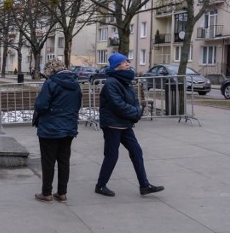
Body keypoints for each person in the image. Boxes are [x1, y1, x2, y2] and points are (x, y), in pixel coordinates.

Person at [94, 53, 165, 197]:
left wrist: (137, 110)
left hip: (124, 124)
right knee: (112, 156)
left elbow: (133, 100)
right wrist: (135, 112)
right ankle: (100, 186)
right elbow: (118, 105)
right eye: (124, 62)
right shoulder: (111, 83)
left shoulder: (125, 80)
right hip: (113, 125)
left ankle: (144, 186)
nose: (127, 63)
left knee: (136, 152)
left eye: (127, 61)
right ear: (116, 66)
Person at [33, 58, 82, 203]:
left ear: (51, 70)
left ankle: (46, 193)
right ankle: (62, 193)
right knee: (64, 160)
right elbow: (77, 104)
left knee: (48, 161)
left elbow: (41, 105)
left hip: (50, 128)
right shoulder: (75, 84)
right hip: (68, 127)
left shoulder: (51, 83)